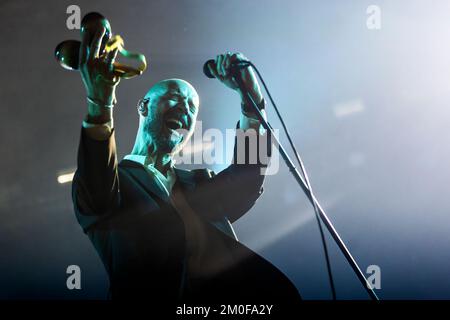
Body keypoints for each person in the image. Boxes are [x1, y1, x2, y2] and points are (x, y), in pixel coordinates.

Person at [71, 23, 301, 303]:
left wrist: (252, 101)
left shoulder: (197, 184)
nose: (185, 109)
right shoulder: (115, 183)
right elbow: (95, 184)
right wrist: (100, 104)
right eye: (174, 98)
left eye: (193, 108)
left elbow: (248, 178)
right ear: (144, 106)